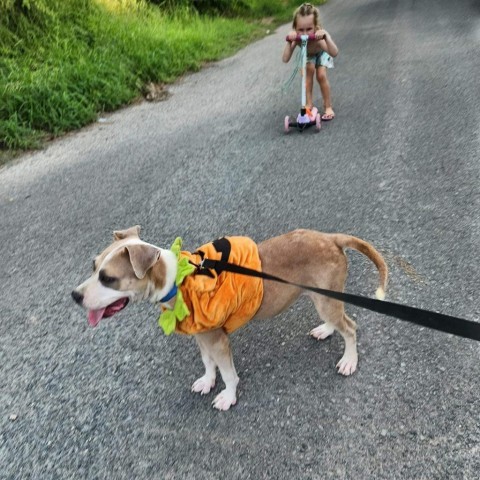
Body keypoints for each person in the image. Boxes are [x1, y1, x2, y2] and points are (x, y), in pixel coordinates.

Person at [282, 2, 338, 121]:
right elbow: (285, 59)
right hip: (307, 55)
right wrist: (289, 41)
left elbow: (334, 53)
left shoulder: (318, 39)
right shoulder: (297, 39)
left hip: (322, 53)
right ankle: (308, 104)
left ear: (316, 27)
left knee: (321, 75)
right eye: (301, 30)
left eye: (309, 29)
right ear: (295, 29)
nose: (305, 34)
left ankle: (328, 106)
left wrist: (326, 37)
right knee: (307, 74)